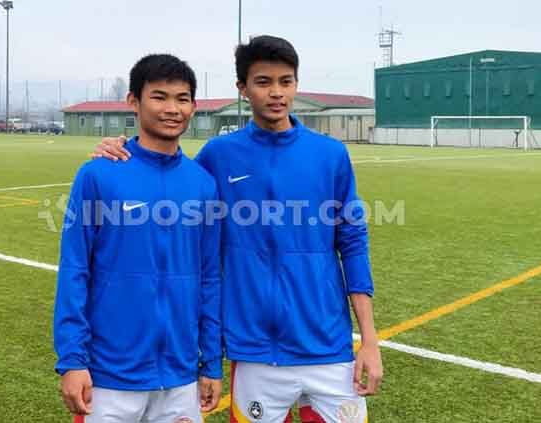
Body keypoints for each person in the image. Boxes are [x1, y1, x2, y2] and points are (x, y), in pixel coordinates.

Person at [93, 35, 383, 423]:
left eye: (286, 81)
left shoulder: (330, 155)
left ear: (296, 84)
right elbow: (169, 171)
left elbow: (353, 243)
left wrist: (369, 339)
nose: (277, 93)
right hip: (254, 351)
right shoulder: (218, 156)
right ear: (242, 89)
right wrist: (119, 148)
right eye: (263, 82)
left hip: (328, 346)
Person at [54, 53, 223, 423]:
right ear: (134, 101)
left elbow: (210, 278)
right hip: (109, 378)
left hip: (180, 380)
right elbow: (74, 270)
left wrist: (210, 362)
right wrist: (71, 360)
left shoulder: (203, 184)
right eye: (159, 96)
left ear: (194, 106)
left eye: (182, 99)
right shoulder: (98, 175)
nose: (172, 109)